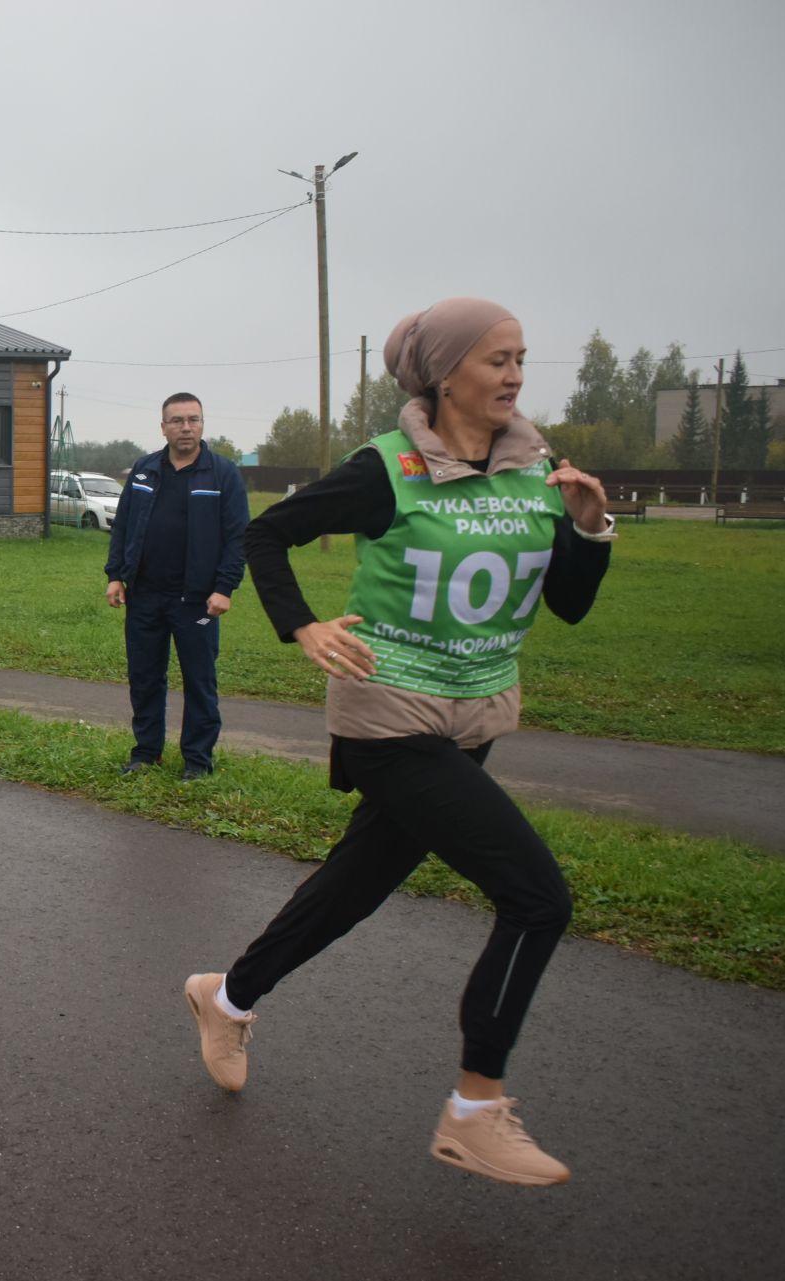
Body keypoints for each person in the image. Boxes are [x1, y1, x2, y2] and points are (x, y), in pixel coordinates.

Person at [182, 298, 615, 1188]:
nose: (515, 375)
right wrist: (301, 627)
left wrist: (588, 529)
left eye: (522, 358)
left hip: (473, 718)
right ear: (446, 372)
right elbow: (268, 532)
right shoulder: (387, 469)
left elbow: (569, 604)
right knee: (538, 898)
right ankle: (475, 1109)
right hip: (388, 715)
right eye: (497, 360)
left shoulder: (537, 469)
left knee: (355, 886)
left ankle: (225, 997)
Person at [103, 393, 251, 780]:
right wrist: (116, 575)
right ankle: (146, 753)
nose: (186, 427)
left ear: (202, 424)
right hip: (145, 596)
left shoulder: (222, 473)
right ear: (163, 426)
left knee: (199, 682)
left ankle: (197, 761)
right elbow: (123, 526)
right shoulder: (144, 470)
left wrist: (224, 587)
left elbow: (238, 538)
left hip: (197, 601)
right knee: (145, 679)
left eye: (193, 420)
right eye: (177, 420)